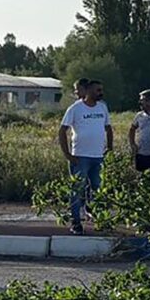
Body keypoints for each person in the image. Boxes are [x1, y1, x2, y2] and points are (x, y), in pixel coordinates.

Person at [58, 79, 113, 235]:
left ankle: (100, 219)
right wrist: (67, 154)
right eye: (97, 90)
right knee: (77, 190)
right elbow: (62, 131)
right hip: (80, 157)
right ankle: (76, 222)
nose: (101, 93)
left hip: (98, 157)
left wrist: (109, 148)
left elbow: (108, 128)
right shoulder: (75, 109)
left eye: (101, 90)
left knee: (98, 189)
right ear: (88, 91)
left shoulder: (102, 107)